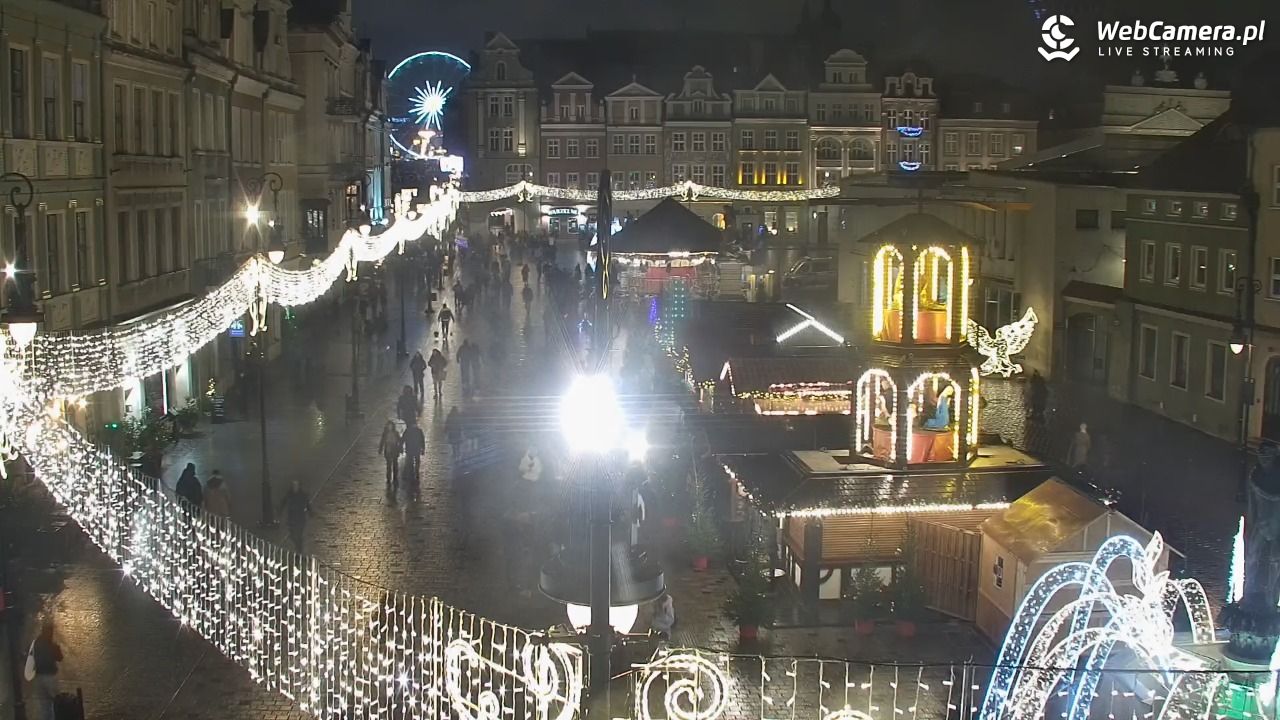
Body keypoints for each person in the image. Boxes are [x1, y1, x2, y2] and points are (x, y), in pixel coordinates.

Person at [27, 619, 63, 720]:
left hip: (38, 677)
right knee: (56, 703)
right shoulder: (53, 645)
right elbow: (60, 658)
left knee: (44, 706)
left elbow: (29, 657)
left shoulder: (36, 643)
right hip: (51, 676)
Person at [278, 480, 313, 553]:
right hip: (292, 518)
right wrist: (280, 510)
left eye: (296, 486)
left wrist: (310, 512)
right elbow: (283, 502)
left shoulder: (303, 495)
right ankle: (298, 547)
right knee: (292, 535)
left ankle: (299, 549)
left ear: (299, 486)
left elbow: (307, 504)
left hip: (300, 518)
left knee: (299, 534)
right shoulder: (289, 494)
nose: (295, 487)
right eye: (293, 486)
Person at [378, 420, 402, 487]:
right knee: (389, 465)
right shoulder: (385, 434)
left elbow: (399, 441)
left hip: (394, 450)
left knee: (395, 464)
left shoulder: (396, 433)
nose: (390, 427)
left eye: (391, 426)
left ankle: (395, 477)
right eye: (389, 426)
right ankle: (388, 478)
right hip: (388, 450)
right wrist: (380, 449)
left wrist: (401, 449)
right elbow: (382, 442)